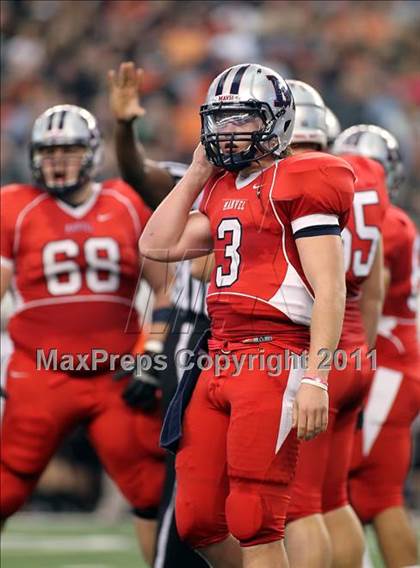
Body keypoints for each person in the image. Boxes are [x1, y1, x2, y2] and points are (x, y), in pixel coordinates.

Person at [140, 63, 355, 568]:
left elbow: (330, 287)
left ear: (276, 122)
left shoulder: (307, 175)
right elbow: (156, 243)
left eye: (242, 119)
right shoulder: (218, 186)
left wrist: (316, 378)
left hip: (274, 356)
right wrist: (195, 173)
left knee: (254, 518)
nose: (228, 132)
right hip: (217, 357)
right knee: (197, 521)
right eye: (220, 120)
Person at [0, 104, 172, 566]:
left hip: (114, 374)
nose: (57, 160)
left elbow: (166, 289)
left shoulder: (124, 201)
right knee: (7, 486)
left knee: (151, 491)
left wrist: (153, 354)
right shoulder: (15, 205)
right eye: (48, 151)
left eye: (69, 149)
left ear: (93, 153)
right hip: (40, 369)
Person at [108, 61, 210, 568]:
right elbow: (138, 174)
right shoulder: (191, 177)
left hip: (263, 339)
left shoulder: (283, 186)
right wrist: (125, 127)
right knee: (190, 461)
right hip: (196, 336)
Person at [345, 125, 420, 568]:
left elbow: (373, 289)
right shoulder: (392, 219)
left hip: (388, 361)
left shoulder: (385, 224)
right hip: (393, 358)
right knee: (355, 491)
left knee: (376, 494)